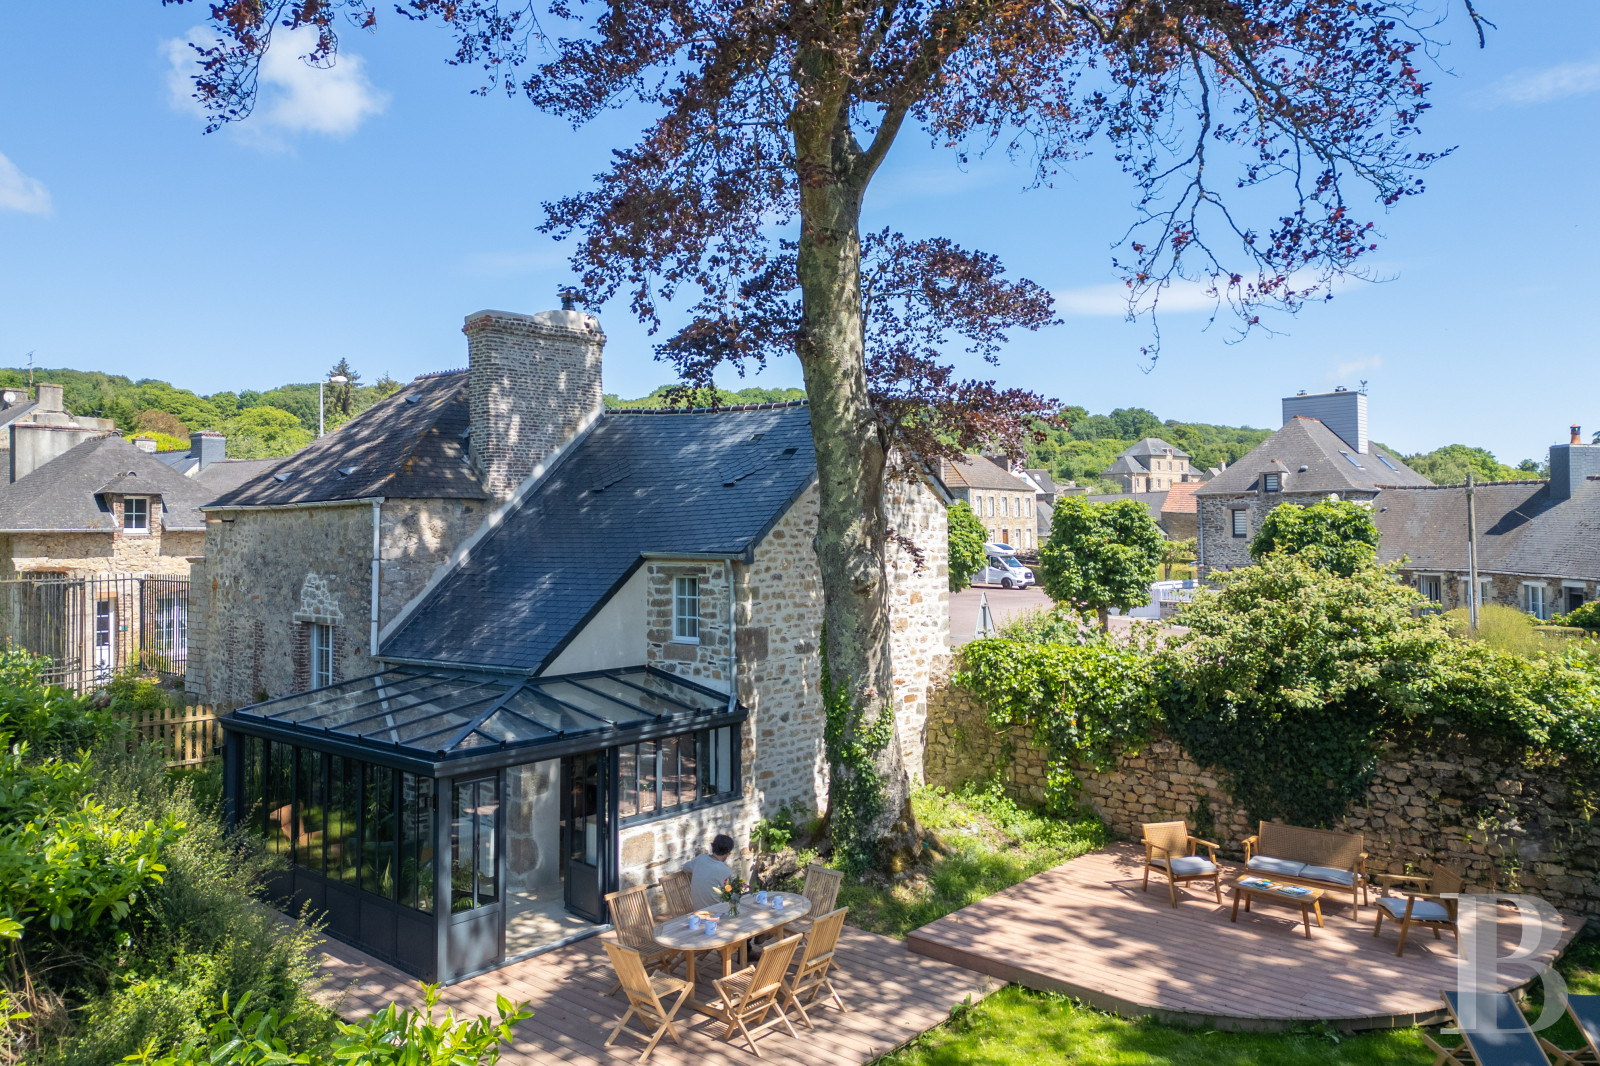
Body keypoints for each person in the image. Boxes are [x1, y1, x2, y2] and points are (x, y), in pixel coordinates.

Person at [684, 834, 736, 910]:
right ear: (727, 852)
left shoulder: (700, 858)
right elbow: (734, 895)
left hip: (698, 910)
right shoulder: (726, 871)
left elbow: (685, 867)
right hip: (716, 913)